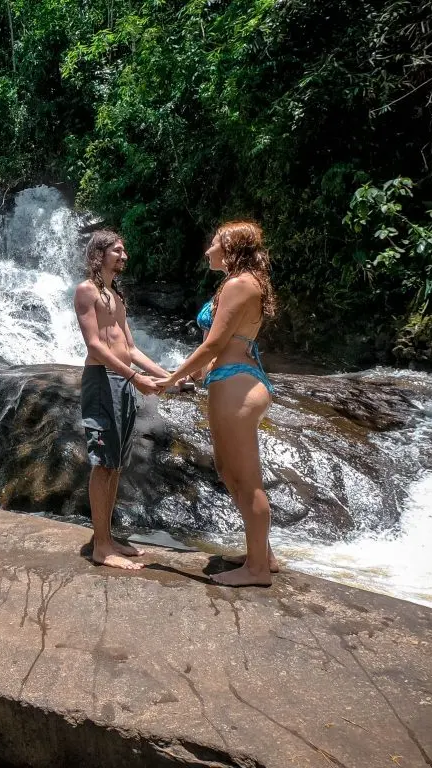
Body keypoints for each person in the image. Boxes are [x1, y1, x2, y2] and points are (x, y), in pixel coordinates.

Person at [152, 221, 279, 586]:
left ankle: (257, 570)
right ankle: (262, 555)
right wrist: (198, 374)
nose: (208, 250)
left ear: (231, 249)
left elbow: (213, 344)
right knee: (228, 470)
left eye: (214, 244)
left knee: (247, 479)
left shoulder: (240, 284)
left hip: (237, 385)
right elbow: (218, 346)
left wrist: (172, 378)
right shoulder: (241, 282)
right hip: (233, 379)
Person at [74, 230, 169, 570]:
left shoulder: (115, 295)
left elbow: (130, 349)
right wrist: (134, 377)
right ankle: (100, 546)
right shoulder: (87, 291)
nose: (124, 255)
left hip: (123, 383)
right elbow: (95, 346)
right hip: (102, 382)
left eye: (124, 250)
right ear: (99, 254)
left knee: (115, 463)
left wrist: (168, 376)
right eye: (117, 250)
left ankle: (108, 536)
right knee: (103, 463)